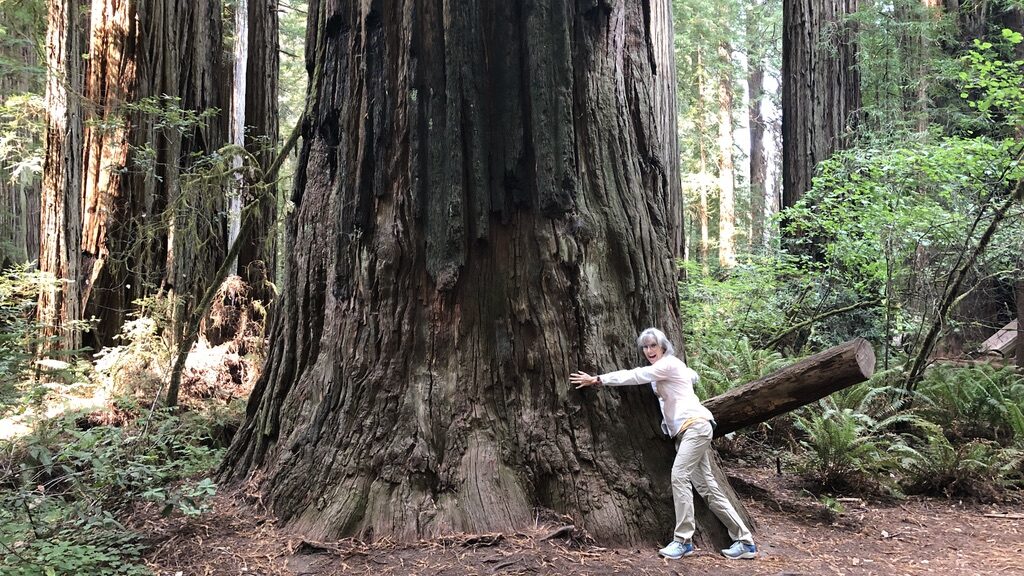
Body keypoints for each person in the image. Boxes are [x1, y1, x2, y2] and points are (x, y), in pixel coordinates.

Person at [569, 327, 757, 560]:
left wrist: (598, 379)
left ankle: (683, 541)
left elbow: (636, 375)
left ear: (663, 346)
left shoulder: (668, 364)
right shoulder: (670, 368)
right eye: (645, 347)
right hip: (688, 431)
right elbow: (686, 376)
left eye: (653, 345)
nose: (648, 350)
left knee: (679, 476)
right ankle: (745, 541)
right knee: (708, 488)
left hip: (695, 427)